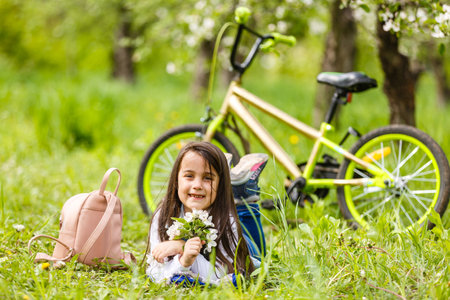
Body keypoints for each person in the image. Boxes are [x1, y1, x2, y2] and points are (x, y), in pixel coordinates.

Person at [146, 142, 267, 286]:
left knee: (259, 258)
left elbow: (226, 273)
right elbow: (155, 269)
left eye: (207, 178)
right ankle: (233, 183)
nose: (197, 185)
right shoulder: (163, 215)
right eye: (189, 176)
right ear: (176, 180)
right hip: (213, 241)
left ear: (219, 185)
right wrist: (183, 261)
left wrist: (183, 247)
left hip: (242, 247)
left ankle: (244, 194)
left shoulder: (228, 220)